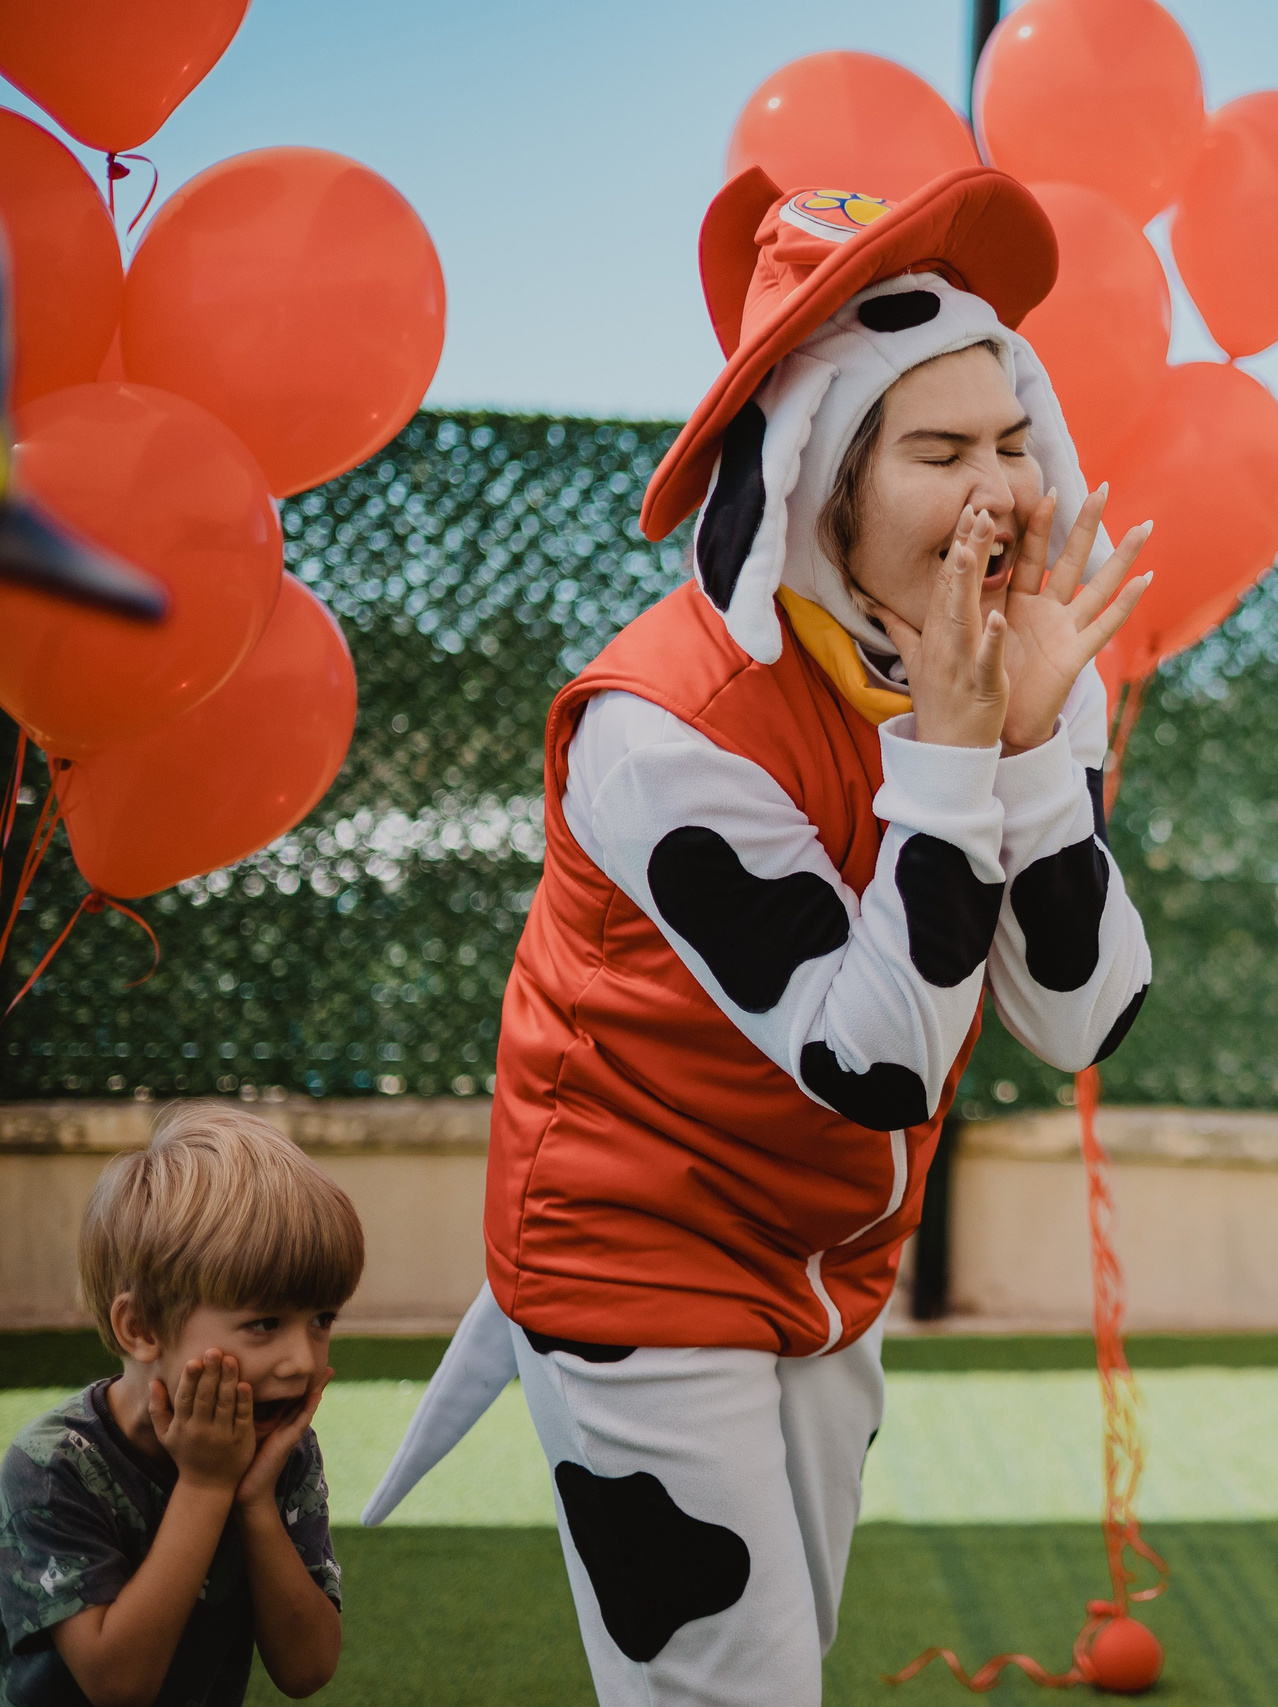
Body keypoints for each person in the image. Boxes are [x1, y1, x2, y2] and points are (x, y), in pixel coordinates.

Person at [359, 166, 1154, 1705]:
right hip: (629, 1249)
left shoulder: (1029, 674)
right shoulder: (662, 730)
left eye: (1011, 439)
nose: (1001, 488)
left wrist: (1034, 755)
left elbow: (1080, 1020)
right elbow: (873, 1062)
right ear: (816, 476)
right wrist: (956, 754)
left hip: (824, 1255)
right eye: (939, 449)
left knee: (775, 1675)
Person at [0, 1104, 359, 1707]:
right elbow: (117, 1686)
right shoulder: (54, 1466)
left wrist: (254, 1501)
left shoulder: (279, 1451)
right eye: (264, 1323)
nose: (301, 1359)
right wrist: (206, 1483)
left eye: (322, 1319)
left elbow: (307, 1667)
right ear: (141, 1328)